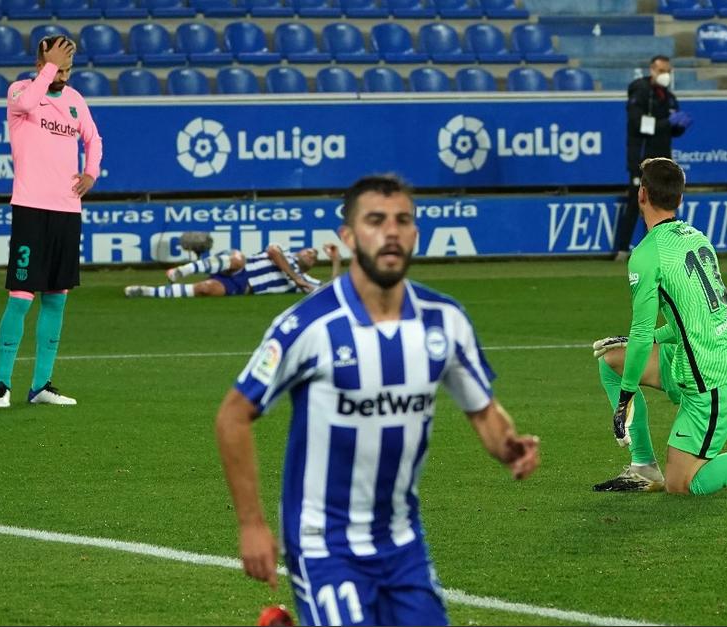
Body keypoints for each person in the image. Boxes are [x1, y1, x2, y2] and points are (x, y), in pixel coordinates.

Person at [214, 174, 540, 626]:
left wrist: (508, 446)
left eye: (403, 220)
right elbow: (233, 416)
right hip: (323, 542)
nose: (391, 231)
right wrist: (252, 524)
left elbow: (483, 409)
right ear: (348, 237)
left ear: (415, 235)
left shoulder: (444, 321)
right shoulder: (310, 326)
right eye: (375, 220)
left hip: (402, 538)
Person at [592, 157, 727, 496]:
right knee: (613, 360)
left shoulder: (646, 255)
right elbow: (694, 319)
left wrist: (625, 398)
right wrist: (651, 338)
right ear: (679, 199)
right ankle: (643, 467)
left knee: (683, 484)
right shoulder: (696, 238)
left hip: (713, 380)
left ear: (642, 195)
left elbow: (640, 333)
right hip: (698, 356)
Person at [0, 35, 103, 408]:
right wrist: (49, 67)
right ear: (40, 65)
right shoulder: (21, 92)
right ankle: (1, 385)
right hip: (31, 208)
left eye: (68, 69)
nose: (63, 76)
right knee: (21, 298)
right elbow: (28, 102)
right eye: (57, 67)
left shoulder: (75, 100)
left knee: (57, 299)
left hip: (67, 210)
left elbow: (93, 138)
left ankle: (40, 386)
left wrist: (91, 172)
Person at [614, 55, 692, 263]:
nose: (665, 75)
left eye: (668, 71)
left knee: (665, 203)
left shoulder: (669, 97)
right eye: (661, 70)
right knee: (635, 202)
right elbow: (639, 124)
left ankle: (664, 247)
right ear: (652, 69)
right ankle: (622, 249)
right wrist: (667, 123)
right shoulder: (641, 91)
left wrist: (679, 127)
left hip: (664, 159)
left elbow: (668, 131)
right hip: (642, 158)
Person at [123, 243, 340, 298]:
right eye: (309, 251)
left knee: (206, 289)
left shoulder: (306, 278)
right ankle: (182, 270)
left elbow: (332, 290)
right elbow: (272, 251)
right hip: (240, 267)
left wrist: (336, 261)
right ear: (299, 251)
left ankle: (150, 291)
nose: (310, 254)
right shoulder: (285, 254)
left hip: (242, 286)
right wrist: (295, 280)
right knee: (237, 258)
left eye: (314, 257)